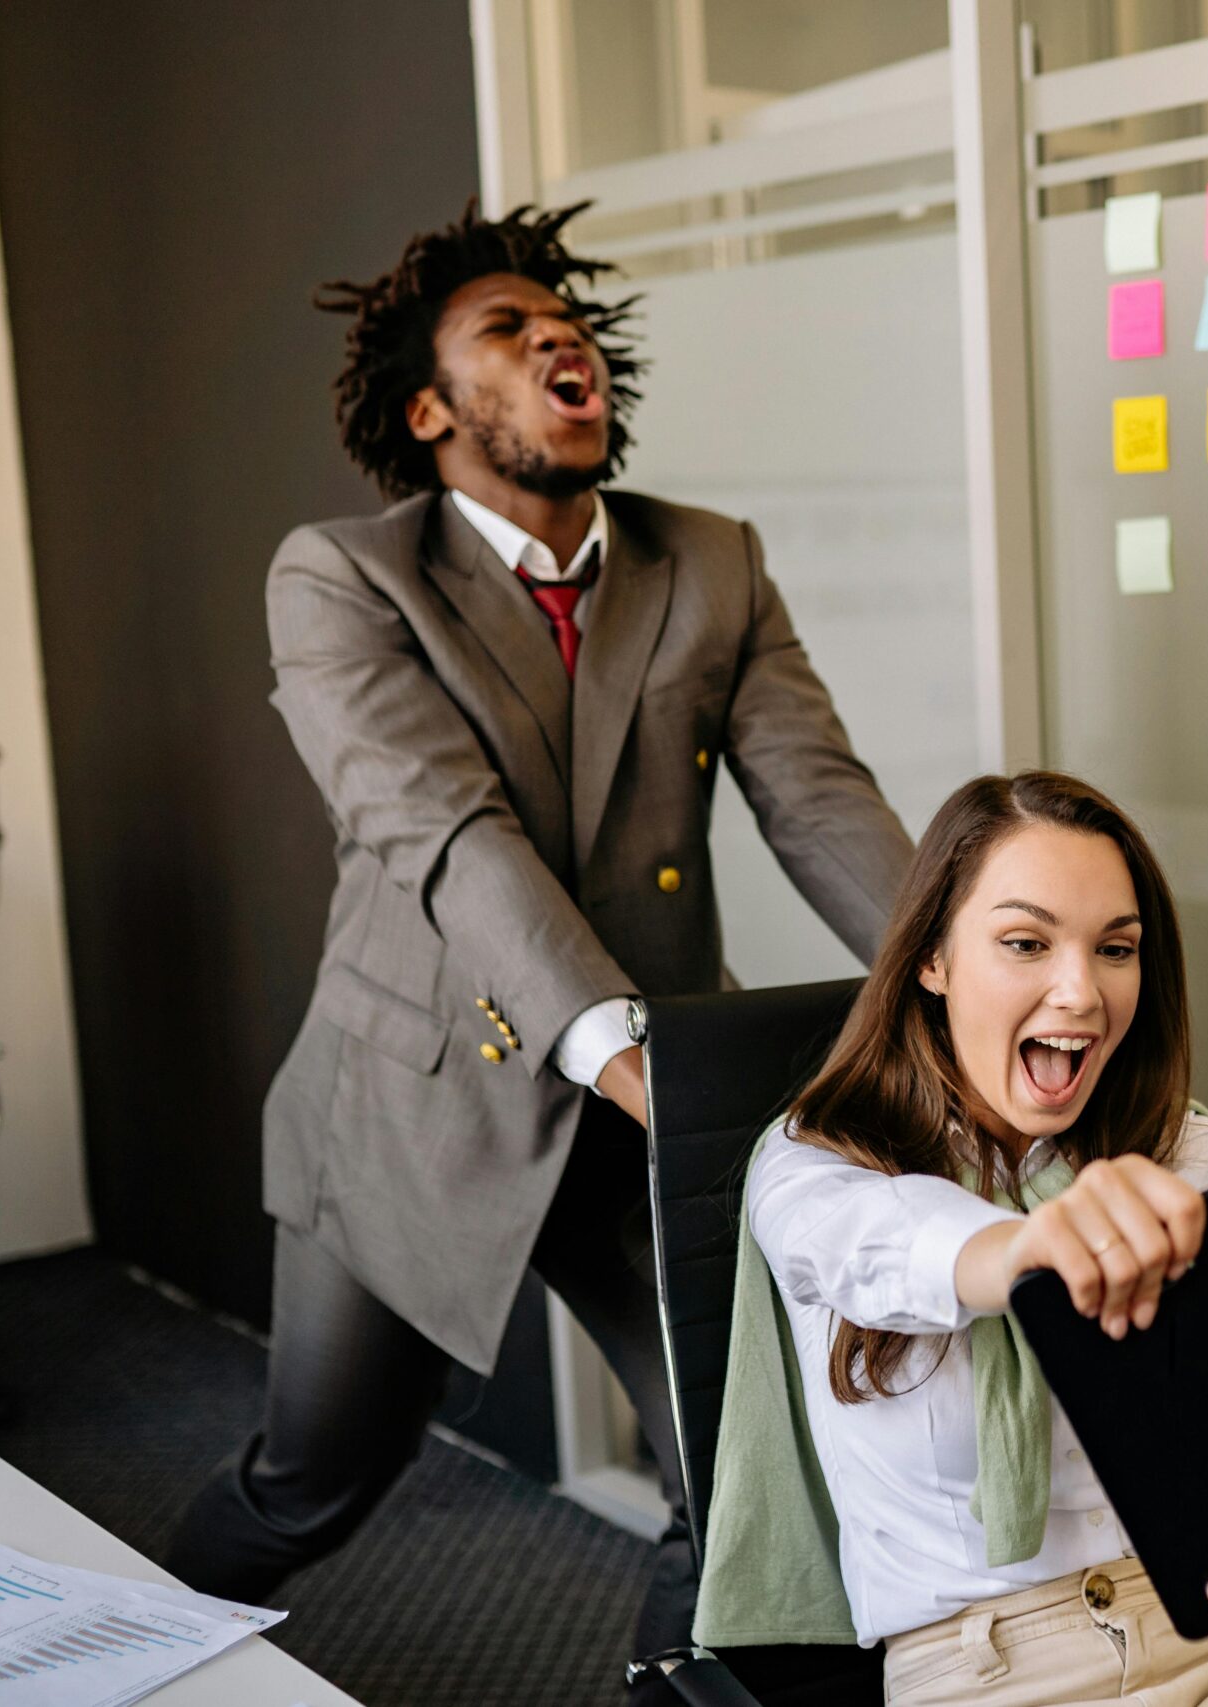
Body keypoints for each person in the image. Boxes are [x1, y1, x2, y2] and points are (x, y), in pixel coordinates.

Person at [164, 202, 916, 1696]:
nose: (556, 334)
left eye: (563, 321)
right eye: (505, 328)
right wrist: (618, 1042)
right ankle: (93, 1656)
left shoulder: (710, 560)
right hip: (421, 1100)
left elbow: (817, 796)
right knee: (307, 1480)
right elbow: (442, 827)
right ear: (432, 409)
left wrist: (955, 979)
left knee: (737, 1475)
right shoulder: (340, 575)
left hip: (647, 1114)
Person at [700, 771, 1208, 1706]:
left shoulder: (1181, 1149)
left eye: (1116, 949)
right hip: (980, 1671)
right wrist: (1032, 1249)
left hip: (1201, 1634)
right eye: (1026, 942)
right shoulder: (814, 1166)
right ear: (933, 958)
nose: (1081, 990)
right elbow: (900, 1245)